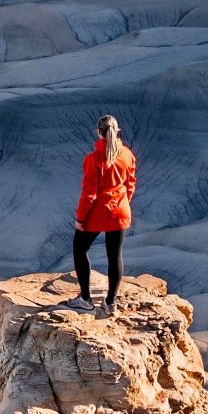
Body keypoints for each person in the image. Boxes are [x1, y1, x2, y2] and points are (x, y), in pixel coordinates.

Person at [72, 114, 137, 311]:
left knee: (79, 248)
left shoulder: (93, 159)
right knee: (115, 255)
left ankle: (86, 299)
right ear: (117, 132)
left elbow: (89, 194)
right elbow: (130, 185)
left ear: (98, 132)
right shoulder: (127, 154)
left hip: (98, 213)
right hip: (119, 212)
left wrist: (80, 218)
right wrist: (122, 204)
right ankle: (111, 303)